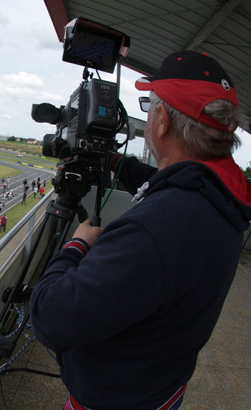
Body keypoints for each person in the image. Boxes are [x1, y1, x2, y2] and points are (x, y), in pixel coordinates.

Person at [30, 51, 250, 410]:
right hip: (161, 388)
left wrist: (75, 246)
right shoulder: (220, 197)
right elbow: (166, 183)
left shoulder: (152, 231)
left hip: (112, 399)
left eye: (150, 106)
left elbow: (50, 318)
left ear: (161, 121)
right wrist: (112, 160)